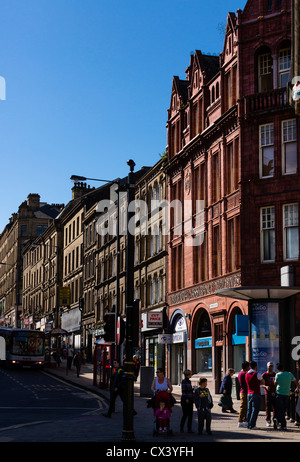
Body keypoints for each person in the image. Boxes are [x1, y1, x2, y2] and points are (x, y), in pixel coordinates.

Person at [274, 363, 298, 430]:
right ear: (283, 368)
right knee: (284, 410)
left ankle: (283, 425)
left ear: (277, 369)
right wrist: (298, 387)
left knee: (279, 410)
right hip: (287, 394)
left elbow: (275, 383)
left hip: (279, 393)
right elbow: (295, 381)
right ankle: (279, 422)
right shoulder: (289, 374)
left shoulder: (277, 375)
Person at [245, 360, 264, 429]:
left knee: (249, 409)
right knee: (255, 410)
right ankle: (252, 425)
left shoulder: (246, 374)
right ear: (256, 366)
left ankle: (248, 424)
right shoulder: (257, 374)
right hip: (256, 393)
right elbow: (263, 381)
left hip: (249, 393)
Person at [262, 361, 276, 427]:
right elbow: (261, 384)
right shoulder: (264, 375)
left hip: (274, 392)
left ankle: (275, 420)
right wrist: (265, 386)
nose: (271, 367)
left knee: (275, 407)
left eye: (272, 366)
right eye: (269, 366)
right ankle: (268, 420)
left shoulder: (275, 374)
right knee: (268, 407)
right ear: (267, 367)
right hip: (267, 393)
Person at [237, 361, 249, 427]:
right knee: (243, 407)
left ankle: (244, 420)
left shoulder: (240, 373)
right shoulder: (244, 374)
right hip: (244, 391)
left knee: (245, 407)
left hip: (243, 391)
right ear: (247, 367)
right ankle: (240, 421)